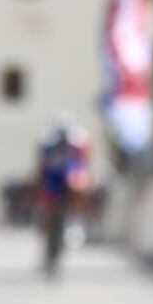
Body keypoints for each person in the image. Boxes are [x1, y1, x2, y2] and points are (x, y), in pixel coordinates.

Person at [36, 113, 91, 277]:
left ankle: (76, 219)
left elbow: (84, 165)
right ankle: (45, 226)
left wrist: (83, 180)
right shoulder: (47, 143)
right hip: (52, 178)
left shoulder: (78, 143)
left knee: (79, 186)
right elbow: (41, 168)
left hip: (70, 176)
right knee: (47, 204)